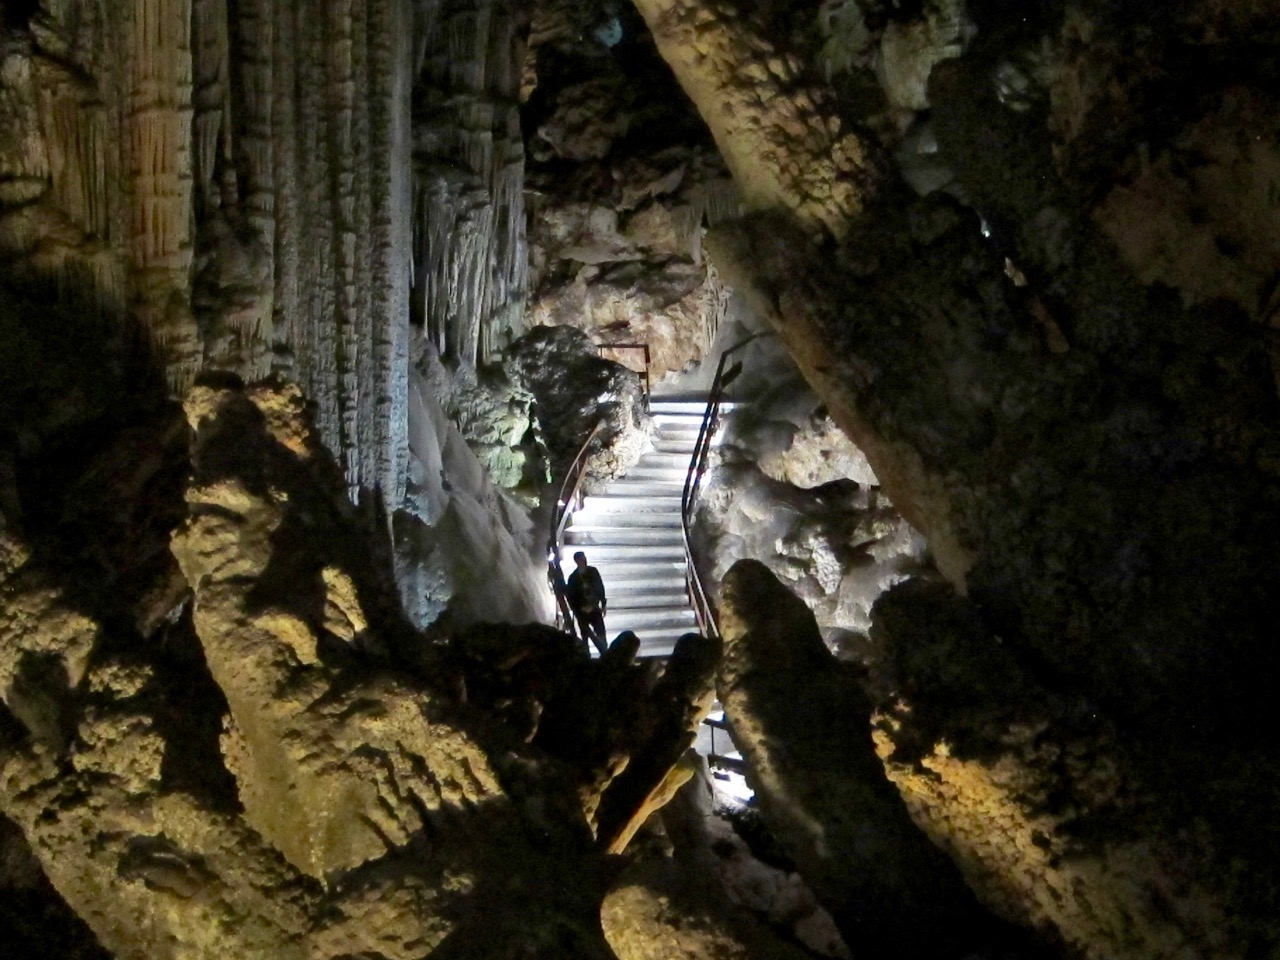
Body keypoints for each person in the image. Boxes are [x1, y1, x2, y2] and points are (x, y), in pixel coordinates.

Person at [565, 551, 608, 655]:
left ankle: (605, 654)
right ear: (576, 561)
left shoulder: (592, 572)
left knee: (600, 633)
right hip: (582, 612)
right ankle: (588, 657)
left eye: (584, 558)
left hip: (594, 609)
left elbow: (600, 587)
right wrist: (578, 611)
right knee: (585, 637)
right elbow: (571, 597)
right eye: (581, 559)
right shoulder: (573, 578)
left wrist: (603, 604)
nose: (584, 561)